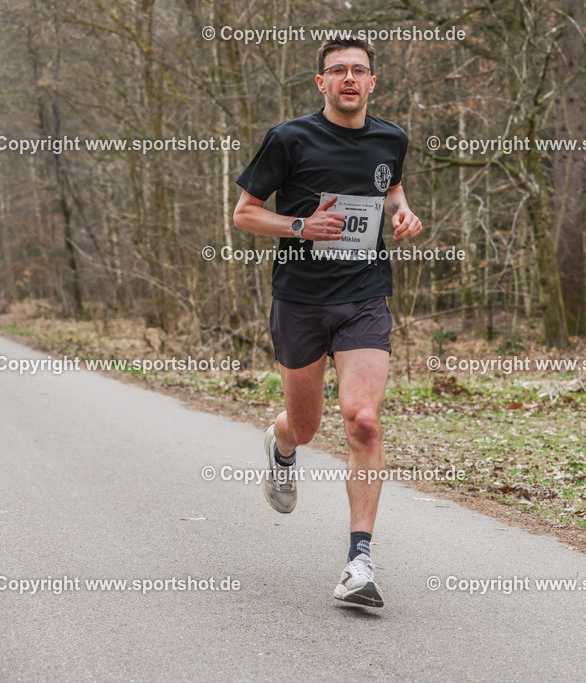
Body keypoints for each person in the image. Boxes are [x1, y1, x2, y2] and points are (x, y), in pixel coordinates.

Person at [233, 37, 422, 608]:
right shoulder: (289, 138)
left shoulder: (391, 138)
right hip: (300, 300)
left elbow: (390, 190)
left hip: (364, 296)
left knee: (363, 421)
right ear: (322, 83)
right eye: (337, 70)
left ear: (373, 82)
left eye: (358, 70)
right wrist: (299, 227)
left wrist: (403, 213)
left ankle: (359, 562)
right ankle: (282, 442)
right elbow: (244, 214)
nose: (349, 78)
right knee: (307, 426)